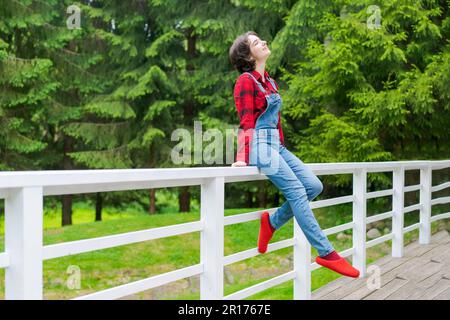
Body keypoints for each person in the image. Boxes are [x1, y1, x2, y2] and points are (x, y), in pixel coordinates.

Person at [228, 31, 360, 278]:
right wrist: (242, 157)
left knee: (313, 186)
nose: (264, 42)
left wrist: (281, 147)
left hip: (276, 145)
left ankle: (272, 223)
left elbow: (275, 121)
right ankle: (327, 252)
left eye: (261, 39)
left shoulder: (269, 81)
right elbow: (246, 120)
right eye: (257, 43)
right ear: (247, 55)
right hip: (259, 145)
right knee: (297, 192)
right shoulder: (245, 81)